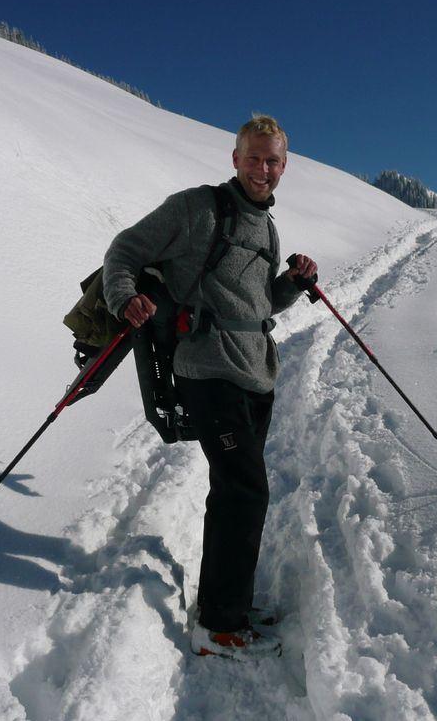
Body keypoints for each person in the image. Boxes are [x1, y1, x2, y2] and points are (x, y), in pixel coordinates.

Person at [103, 114, 316, 659]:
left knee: (237, 494)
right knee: (246, 491)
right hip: (206, 369)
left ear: (284, 166)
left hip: (255, 372)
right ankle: (218, 626)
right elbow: (124, 251)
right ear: (235, 158)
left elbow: (258, 304)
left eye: (273, 161)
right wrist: (124, 297)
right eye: (253, 158)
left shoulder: (266, 226)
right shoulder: (197, 209)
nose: (263, 169)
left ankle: (230, 605)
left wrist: (291, 284)